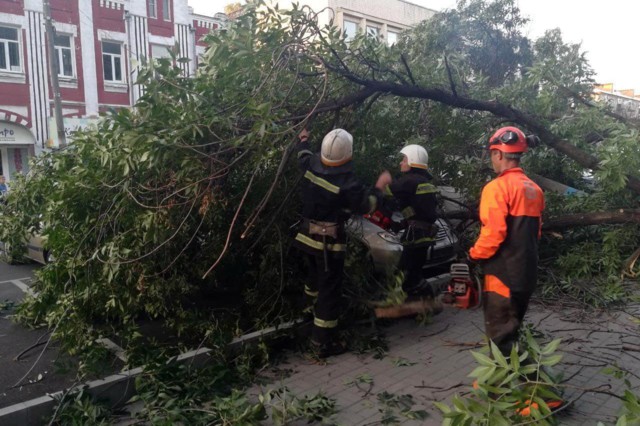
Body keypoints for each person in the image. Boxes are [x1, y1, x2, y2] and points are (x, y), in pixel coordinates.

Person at [294, 128, 382, 358]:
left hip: (306, 237)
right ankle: (321, 343)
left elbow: (302, 154)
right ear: (348, 154)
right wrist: (380, 188)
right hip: (328, 245)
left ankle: (305, 318)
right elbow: (366, 206)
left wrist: (304, 138)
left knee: (312, 282)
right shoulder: (348, 184)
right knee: (328, 292)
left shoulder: (310, 163)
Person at [469, 126, 545, 356]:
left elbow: (493, 235)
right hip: (526, 273)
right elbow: (536, 233)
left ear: (499, 154)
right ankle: (516, 385)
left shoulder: (497, 188)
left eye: (492, 154)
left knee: (500, 339)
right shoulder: (535, 189)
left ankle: (503, 389)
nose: (492, 159)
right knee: (511, 332)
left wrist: (472, 256)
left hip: (503, 276)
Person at [375, 145, 439, 299]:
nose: (400, 163)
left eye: (404, 159)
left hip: (416, 238)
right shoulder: (425, 182)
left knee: (404, 274)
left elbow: (384, 193)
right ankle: (423, 304)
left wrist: (380, 183)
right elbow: (417, 212)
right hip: (425, 236)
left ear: (412, 161)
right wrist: (400, 224)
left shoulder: (408, 181)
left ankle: (426, 302)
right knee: (414, 273)